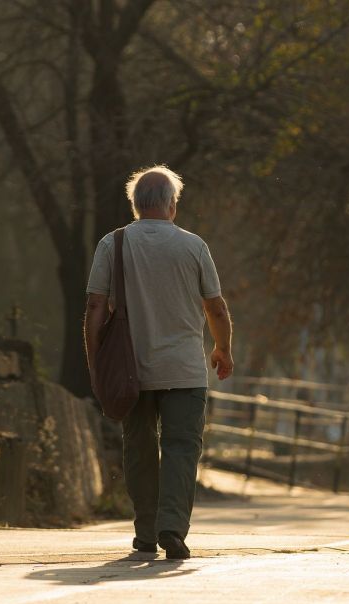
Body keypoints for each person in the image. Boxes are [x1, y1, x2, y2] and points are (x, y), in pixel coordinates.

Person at [84, 165, 233, 560]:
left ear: (135, 205)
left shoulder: (111, 244)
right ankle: (172, 529)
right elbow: (215, 307)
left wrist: (95, 359)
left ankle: (146, 531)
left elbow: (96, 305)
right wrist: (223, 349)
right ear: (172, 205)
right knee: (182, 447)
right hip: (185, 371)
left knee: (139, 448)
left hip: (131, 370)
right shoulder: (193, 246)